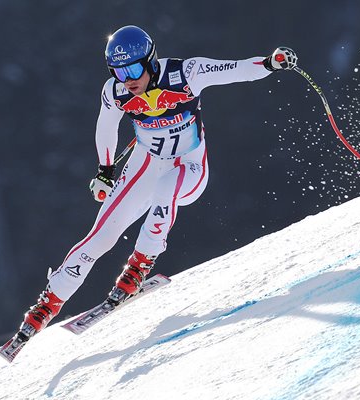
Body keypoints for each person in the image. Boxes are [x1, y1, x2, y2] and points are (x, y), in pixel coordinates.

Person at [17, 25, 298, 339]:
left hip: (189, 167)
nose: (130, 79)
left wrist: (271, 63)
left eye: (135, 69)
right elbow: (105, 127)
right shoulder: (115, 91)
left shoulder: (186, 73)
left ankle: (138, 267)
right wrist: (106, 171)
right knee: (100, 236)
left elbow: (236, 70)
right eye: (120, 72)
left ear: (151, 60)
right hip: (146, 166)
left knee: (166, 192)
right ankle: (48, 302)